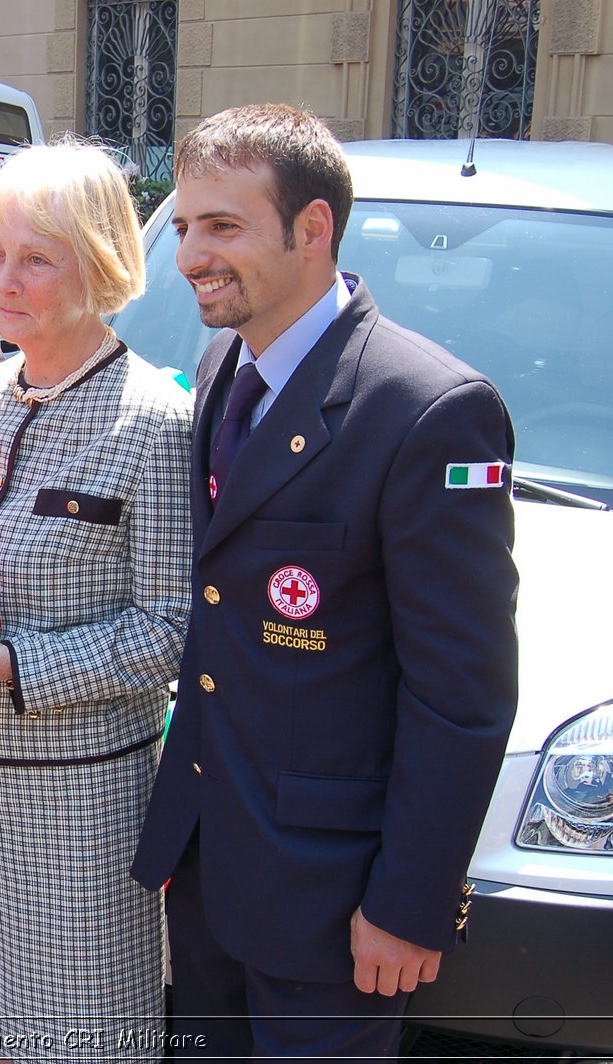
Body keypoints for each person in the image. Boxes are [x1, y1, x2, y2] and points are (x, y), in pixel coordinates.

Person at [130, 103, 518, 1059]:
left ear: (313, 229)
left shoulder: (427, 410)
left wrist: (411, 901)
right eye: (182, 226)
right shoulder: (225, 362)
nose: (188, 256)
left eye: (223, 226)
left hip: (336, 896)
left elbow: (460, 696)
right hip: (212, 862)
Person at [0, 141, 191, 1058]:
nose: (4, 279)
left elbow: (171, 630)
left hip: (74, 809)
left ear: (103, 259)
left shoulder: (153, 419)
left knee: (81, 1037)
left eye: (38, 257)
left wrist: (17, 663)